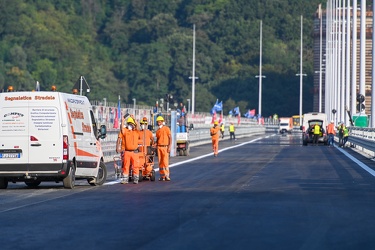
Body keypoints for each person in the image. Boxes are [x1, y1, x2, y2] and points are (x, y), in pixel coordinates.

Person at [117, 117, 140, 184]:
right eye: (129, 124)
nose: (130, 125)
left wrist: (135, 120)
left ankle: (136, 179)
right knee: (126, 166)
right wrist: (123, 121)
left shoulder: (136, 132)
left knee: (135, 166)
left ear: (134, 125)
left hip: (134, 152)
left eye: (131, 124)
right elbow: (122, 129)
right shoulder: (126, 132)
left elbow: (138, 127)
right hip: (127, 151)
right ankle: (125, 179)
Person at [155, 116, 172, 181]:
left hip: (165, 147)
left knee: (165, 162)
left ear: (162, 122)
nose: (159, 123)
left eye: (160, 122)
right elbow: (157, 139)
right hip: (159, 147)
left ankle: (167, 175)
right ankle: (162, 175)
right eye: (158, 122)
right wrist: (155, 145)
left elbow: (170, 138)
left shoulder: (167, 129)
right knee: (160, 162)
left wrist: (169, 147)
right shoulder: (158, 131)